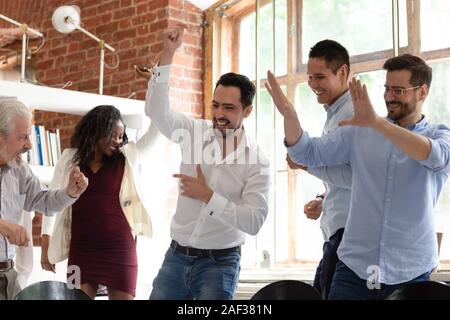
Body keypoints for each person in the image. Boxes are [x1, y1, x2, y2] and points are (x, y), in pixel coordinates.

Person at [266, 54, 450, 299]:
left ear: (422, 92)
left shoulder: (439, 135)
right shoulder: (360, 130)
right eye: (387, 88)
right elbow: (306, 152)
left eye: (398, 90)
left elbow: (434, 157)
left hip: (410, 270)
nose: (389, 96)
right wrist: (289, 114)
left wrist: (377, 124)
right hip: (354, 269)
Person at [143, 24, 271, 300]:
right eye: (215, 105)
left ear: (247, 111)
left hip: (220, 263)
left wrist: (208, 196)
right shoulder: (193, 133)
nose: (218, 114)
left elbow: (254, 220)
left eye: (228, 108)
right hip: (176, 256)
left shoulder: (257, 160)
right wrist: (168, 54)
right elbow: (156, 111)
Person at [40, 105, 161, 300]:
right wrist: (45, 242)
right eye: (113, 134)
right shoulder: (70, 157)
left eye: (121, 136)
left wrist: (156, 82)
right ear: (97, 130)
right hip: (81, 250)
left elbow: (157, 130)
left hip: (120, 250)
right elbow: (51, 200)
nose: (118, 141)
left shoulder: (127, 156)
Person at [0, 99, 88, 300]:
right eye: (22, 137)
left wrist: (70, 192)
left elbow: (45, 202)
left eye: (29, 136)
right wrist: (2, 226)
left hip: (8, 277)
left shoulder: (20, 170)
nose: (30, 145)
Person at [286, 40, 353, 300]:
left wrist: (305, 164)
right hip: (336, 232)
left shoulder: (352, 113)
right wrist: (323, 198)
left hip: (347, 234)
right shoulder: (334, 112)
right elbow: (342, 174)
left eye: (320, 77)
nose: (313, 84)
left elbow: (360, 177)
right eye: (310, 77)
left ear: (343, 73)